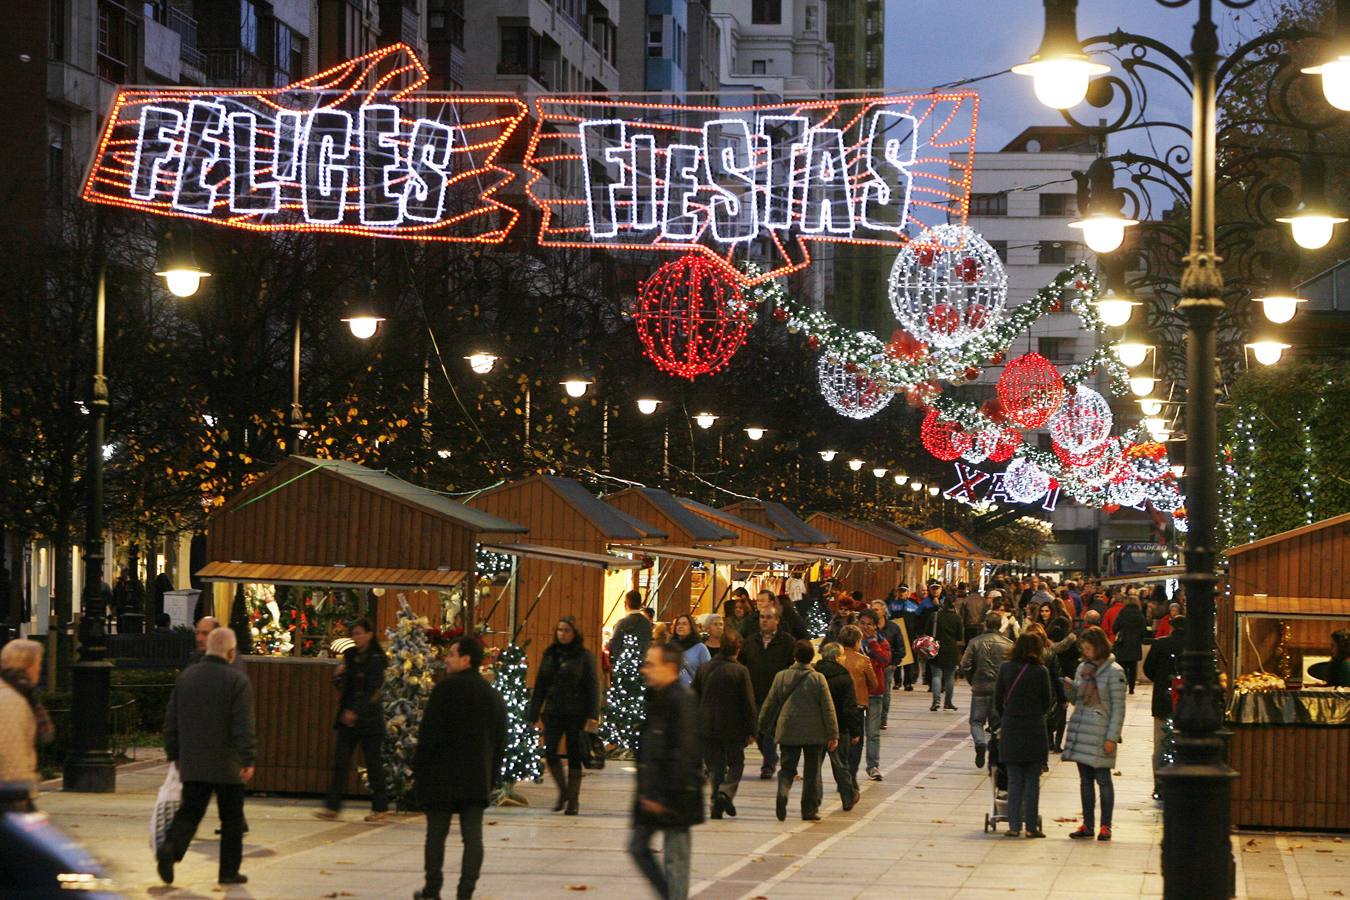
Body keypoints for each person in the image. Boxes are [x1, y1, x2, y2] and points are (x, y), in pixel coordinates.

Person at [157, 626, 256, 886]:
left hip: (193, 760)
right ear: (232, 652)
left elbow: (171, 720)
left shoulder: (187, 677)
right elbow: (242, 725)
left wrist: (174, 753)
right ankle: (228, 871)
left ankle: (170, 849)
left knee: (190, 811)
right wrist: (247, 758)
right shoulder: (237, 681)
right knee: (232, 818)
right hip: (227, 763)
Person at [413, 636, 506, 900]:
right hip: (476, 777)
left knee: (436, 835)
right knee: (473, 838)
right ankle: (465, 892)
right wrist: (492, 776)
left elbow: (428, 734)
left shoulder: (444, 690)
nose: (447, 658)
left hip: (441, 777)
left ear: (466, 659)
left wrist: (419, 767)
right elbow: (500, 742)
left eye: (452, 654)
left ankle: (432, 889)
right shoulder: (492, 695)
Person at [629, 642, 703, 900]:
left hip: (675, 795)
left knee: (676, 860)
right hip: (654, 792)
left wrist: (661, 796)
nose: (644, 669)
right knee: (638, 847)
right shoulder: (657, 697)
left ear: (669, 667)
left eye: (651, 664)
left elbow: (685, 752)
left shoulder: (682, 700)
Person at [316, 619, 389, 822]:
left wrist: (356, 711)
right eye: (354, 634)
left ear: (369, 634)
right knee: (340, 762)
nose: (356, 638)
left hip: (369, 720)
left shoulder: (376, 660)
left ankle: (380, 807)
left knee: (373, 764)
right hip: (348, 718)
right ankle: (333, 807)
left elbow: (372, 691)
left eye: (359, 633)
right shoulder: (350, 656)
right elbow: (344, 686)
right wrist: (338, 677)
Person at [757, 640, 838, 822]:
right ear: (811, 658)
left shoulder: (781, 676)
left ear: (794, 656)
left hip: (788, 730)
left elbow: (770, 703)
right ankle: (809, 810)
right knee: (812, 772)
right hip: (814, 733)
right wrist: (833, 734)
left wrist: (761, 726)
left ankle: (783, 791)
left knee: (787, 767)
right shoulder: (818, 678)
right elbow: (828, 708)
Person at [528, 616, 600, 815]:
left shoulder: (584, 656)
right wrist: (533, 712)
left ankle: (573, 801)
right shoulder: (550, 654)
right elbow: (541, 684)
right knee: (550, 752)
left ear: (574, 632)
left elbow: (592, 686)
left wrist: (593, 715)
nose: (562, 634)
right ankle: (563, 792)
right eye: (560, 630)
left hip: (576, 712)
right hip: (553, 711)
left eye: (567, 630)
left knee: (574, 754)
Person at [1062, 626, 1127, 841]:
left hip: (1100, 732)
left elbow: (1118, 707)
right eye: (1084, 648)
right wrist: (1069, 687)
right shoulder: (1083, 668)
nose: (1086, 652)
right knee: (1085, 780)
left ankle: (1105, 826)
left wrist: (1112, 736)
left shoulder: (1114, 671)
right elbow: (1076, 700)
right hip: (1082, 729)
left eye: (1089, 648)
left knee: (1103, 779)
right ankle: (1088, 824)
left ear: (1098, 647)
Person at [691, 631, 757, 820]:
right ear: (738, 649)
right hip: (732, 726)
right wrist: (752, 729)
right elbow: (748, 702)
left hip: (706, 725)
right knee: (736, 762)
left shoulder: (704, 668)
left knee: (715, 767)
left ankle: (715, 806)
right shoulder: (740, 671)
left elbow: (693, 696)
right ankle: (725, 793)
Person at [995, 632, 1053, 838]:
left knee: (1014, 779)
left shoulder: (1005, 668)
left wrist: (1008, 715)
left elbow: (997, 700)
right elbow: (1047, 701)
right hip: (1034, 728)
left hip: (1011, 726)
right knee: (1032, 780)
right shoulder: (1041, 671)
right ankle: (1031, 826)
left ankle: (1013, 826)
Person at [740, 607, 794, 779]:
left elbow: (791, 667)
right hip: (754, 692)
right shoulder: (750, 641)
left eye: (769, 617)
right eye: (762, 617)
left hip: (776, 694)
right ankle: (771, 758)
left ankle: (768, 765)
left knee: (768, 729)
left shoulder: (787, 642)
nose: (764, 620)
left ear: (777, 620)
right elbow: (743, 664)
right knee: (757, 730)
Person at [0, 639, 51, 809]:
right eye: (38, 663)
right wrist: (19, 792)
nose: (39, 668)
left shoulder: (18, 694)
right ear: (27, 665)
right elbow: (11, 750)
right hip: (11, 793)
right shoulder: (13, 700)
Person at [957, 613, 1012, 769]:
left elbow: (965, 664)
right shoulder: (1008, 644)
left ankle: (980, 743)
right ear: (1000, 624)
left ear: (986, 624)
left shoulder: (975, 642)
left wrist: (972, 679)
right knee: (997, 724)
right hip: (999, 689)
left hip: (980, 687)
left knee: (976, 721)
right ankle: (995, 757)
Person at [1142, 615, 1185, 801]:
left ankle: (1160, 784)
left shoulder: (1160, 645)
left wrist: (1160, 681)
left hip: (1162, 701)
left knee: (1161, 744)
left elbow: (1148, 669)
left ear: (1171, 627)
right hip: (1186, 704)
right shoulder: (1195, 646)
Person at [814, 643, 861, 811]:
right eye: (842, 656)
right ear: (836, 658)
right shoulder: (843, 677)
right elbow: (849, 707)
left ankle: (814, 801)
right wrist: (855, 730)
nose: (844, 658)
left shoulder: (814, 674)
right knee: (840, 764)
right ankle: (848, 796)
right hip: (840, 727)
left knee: (815, 766)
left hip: (817, 727)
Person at [836, 624, 876, 786]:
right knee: (856, 742)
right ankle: (851, 776)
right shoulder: (864, 661)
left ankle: (842, 777)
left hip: (837, 706)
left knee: (839, 742)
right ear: (857, 642)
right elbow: (873, 684)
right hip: (858, 706)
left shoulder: (835, 659)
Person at [857, 610, 892, 781]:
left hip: (875, 692)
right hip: (855, 692)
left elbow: (885, 660)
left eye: (869, 624)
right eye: (862, 623)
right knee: (854, 734)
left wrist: (872, 643)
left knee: (873, 733)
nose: (865, 627)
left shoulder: (880, 641)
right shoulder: (852, 641)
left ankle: (873, 766)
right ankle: (850, 766)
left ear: (876, 626)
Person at [1045, 617, 1078, 751]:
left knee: (1049, 710)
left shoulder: (1048, 641)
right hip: (1067, 677)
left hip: (1051, 678)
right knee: (1062, 710)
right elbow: (1077, 655)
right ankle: (1058, 744)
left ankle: (1050, 742)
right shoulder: (1071, 641)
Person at [868, 600, 902, 728]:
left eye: (876, 609)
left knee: (885, 692)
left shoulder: (893, 627)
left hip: (887, 666)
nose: (873, 612)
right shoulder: (868, 627)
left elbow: (900, 648)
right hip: (870, 664)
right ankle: (870, 717)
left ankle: (883, 719)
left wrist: (894, 664)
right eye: (872, 609)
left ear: (884, 611)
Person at [929, 598, 963, 712]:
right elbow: (959, 637)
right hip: (951, 650)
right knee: (949, 677)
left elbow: (927, 632)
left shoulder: (934, 616)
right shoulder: (957, 618)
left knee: (936, 676)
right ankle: (948, 702)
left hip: (936, 649)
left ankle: (935, 702)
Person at [1111, 595, 1146, 694]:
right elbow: (1144, 630)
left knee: (1122, 667)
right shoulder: (1139, 614)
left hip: (1123, 643)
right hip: (1135, 643)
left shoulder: (1122, 613)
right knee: (1133, 667)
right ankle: (1131, 688)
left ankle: (1123, 686)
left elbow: (1115, 627)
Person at [609, 590, 654, 663]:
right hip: (643, 665)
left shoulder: (622, 623)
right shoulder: (647, 624)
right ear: (640, 604)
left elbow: (613, 645)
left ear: (625, 604)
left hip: (624, 666)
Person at [672, 614, 711, 685]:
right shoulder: (670, 647)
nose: (680, 626)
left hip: (692, 691)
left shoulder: (700, 648)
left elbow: (707, 673)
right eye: (678, 624)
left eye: (684, 624)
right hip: (673, 691)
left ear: (691, 627)